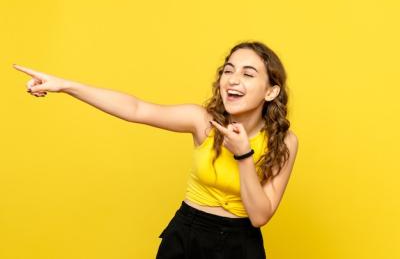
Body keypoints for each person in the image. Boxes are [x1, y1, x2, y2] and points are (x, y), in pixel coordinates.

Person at [13, 41, 298, 259]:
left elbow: (260, 216)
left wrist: (243, 155)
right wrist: (64, 85)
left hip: (240, 244)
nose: (233, 80)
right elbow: (135, 108)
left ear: (270, 91)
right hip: (186, 234)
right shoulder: (203, 122)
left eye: (248, 74)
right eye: (228, 71)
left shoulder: (283, 141)